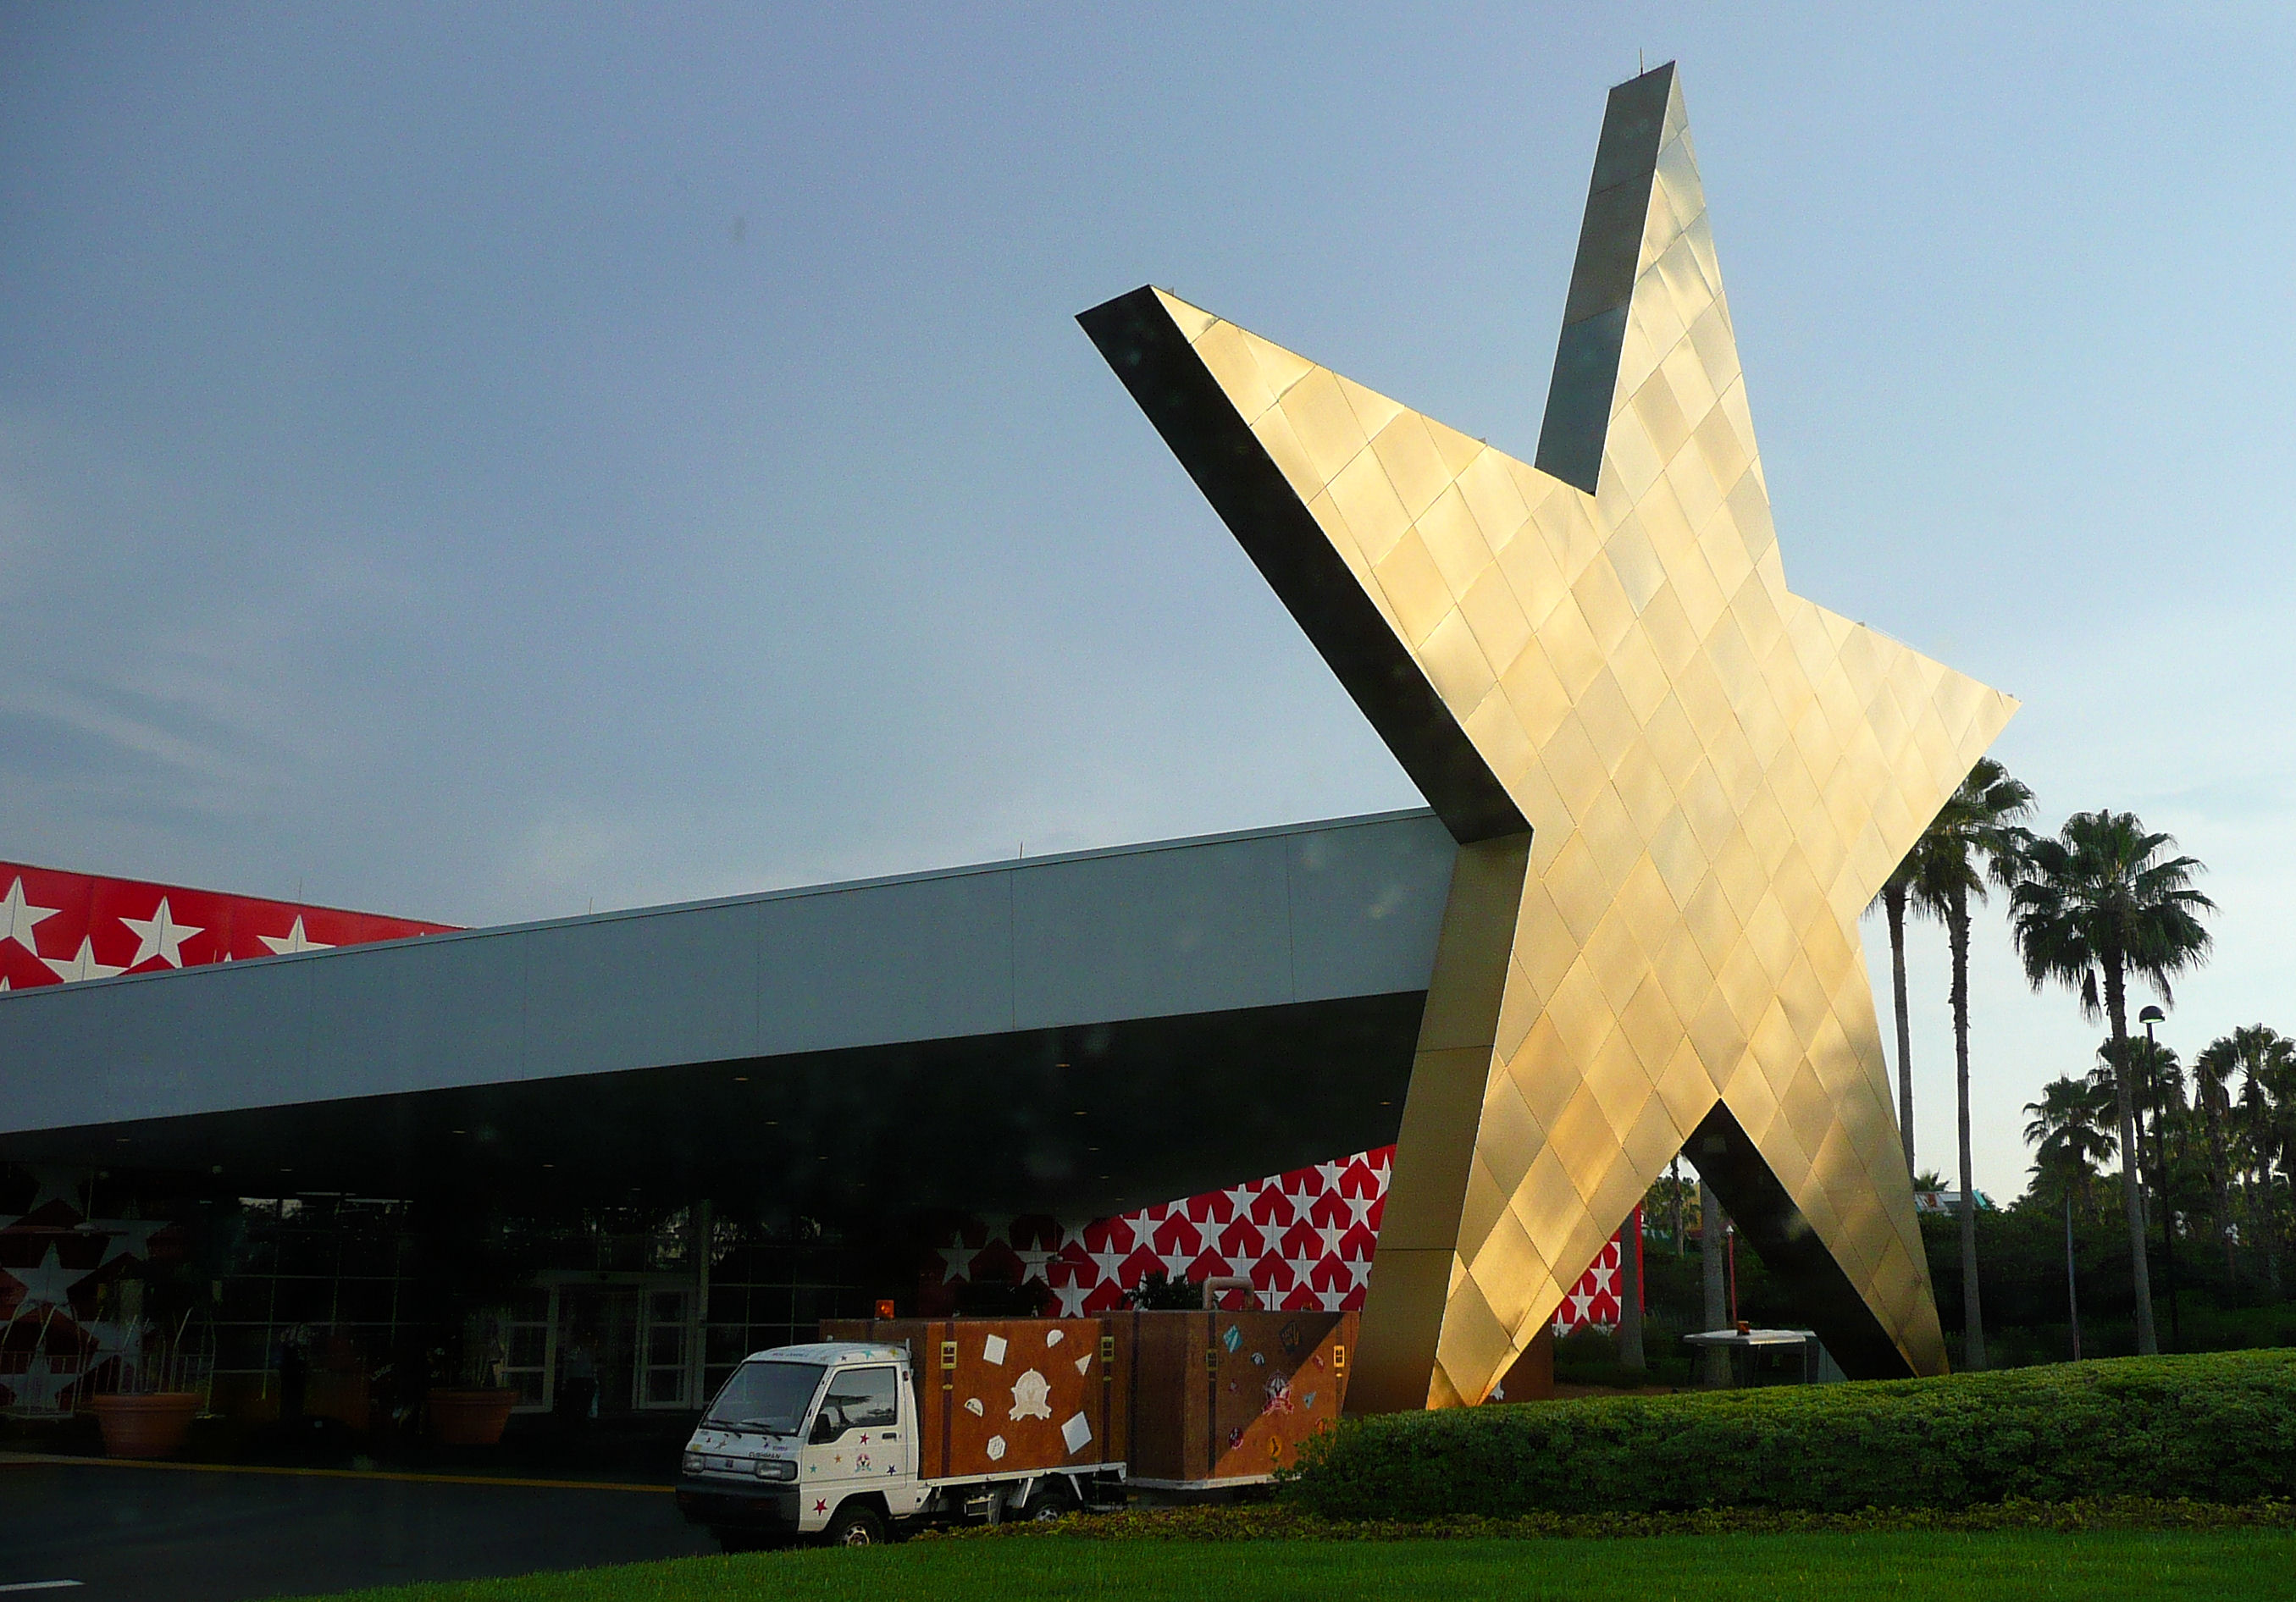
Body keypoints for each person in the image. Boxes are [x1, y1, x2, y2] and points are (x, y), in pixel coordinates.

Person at [557, 1329, 599, 1426]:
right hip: (581, 1379)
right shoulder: (581, 1350)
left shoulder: (580, 1350)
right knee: (581, 1403)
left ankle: (579, 1420)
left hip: (580, 1379)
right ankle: (580, 1420)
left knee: (579, 1403)